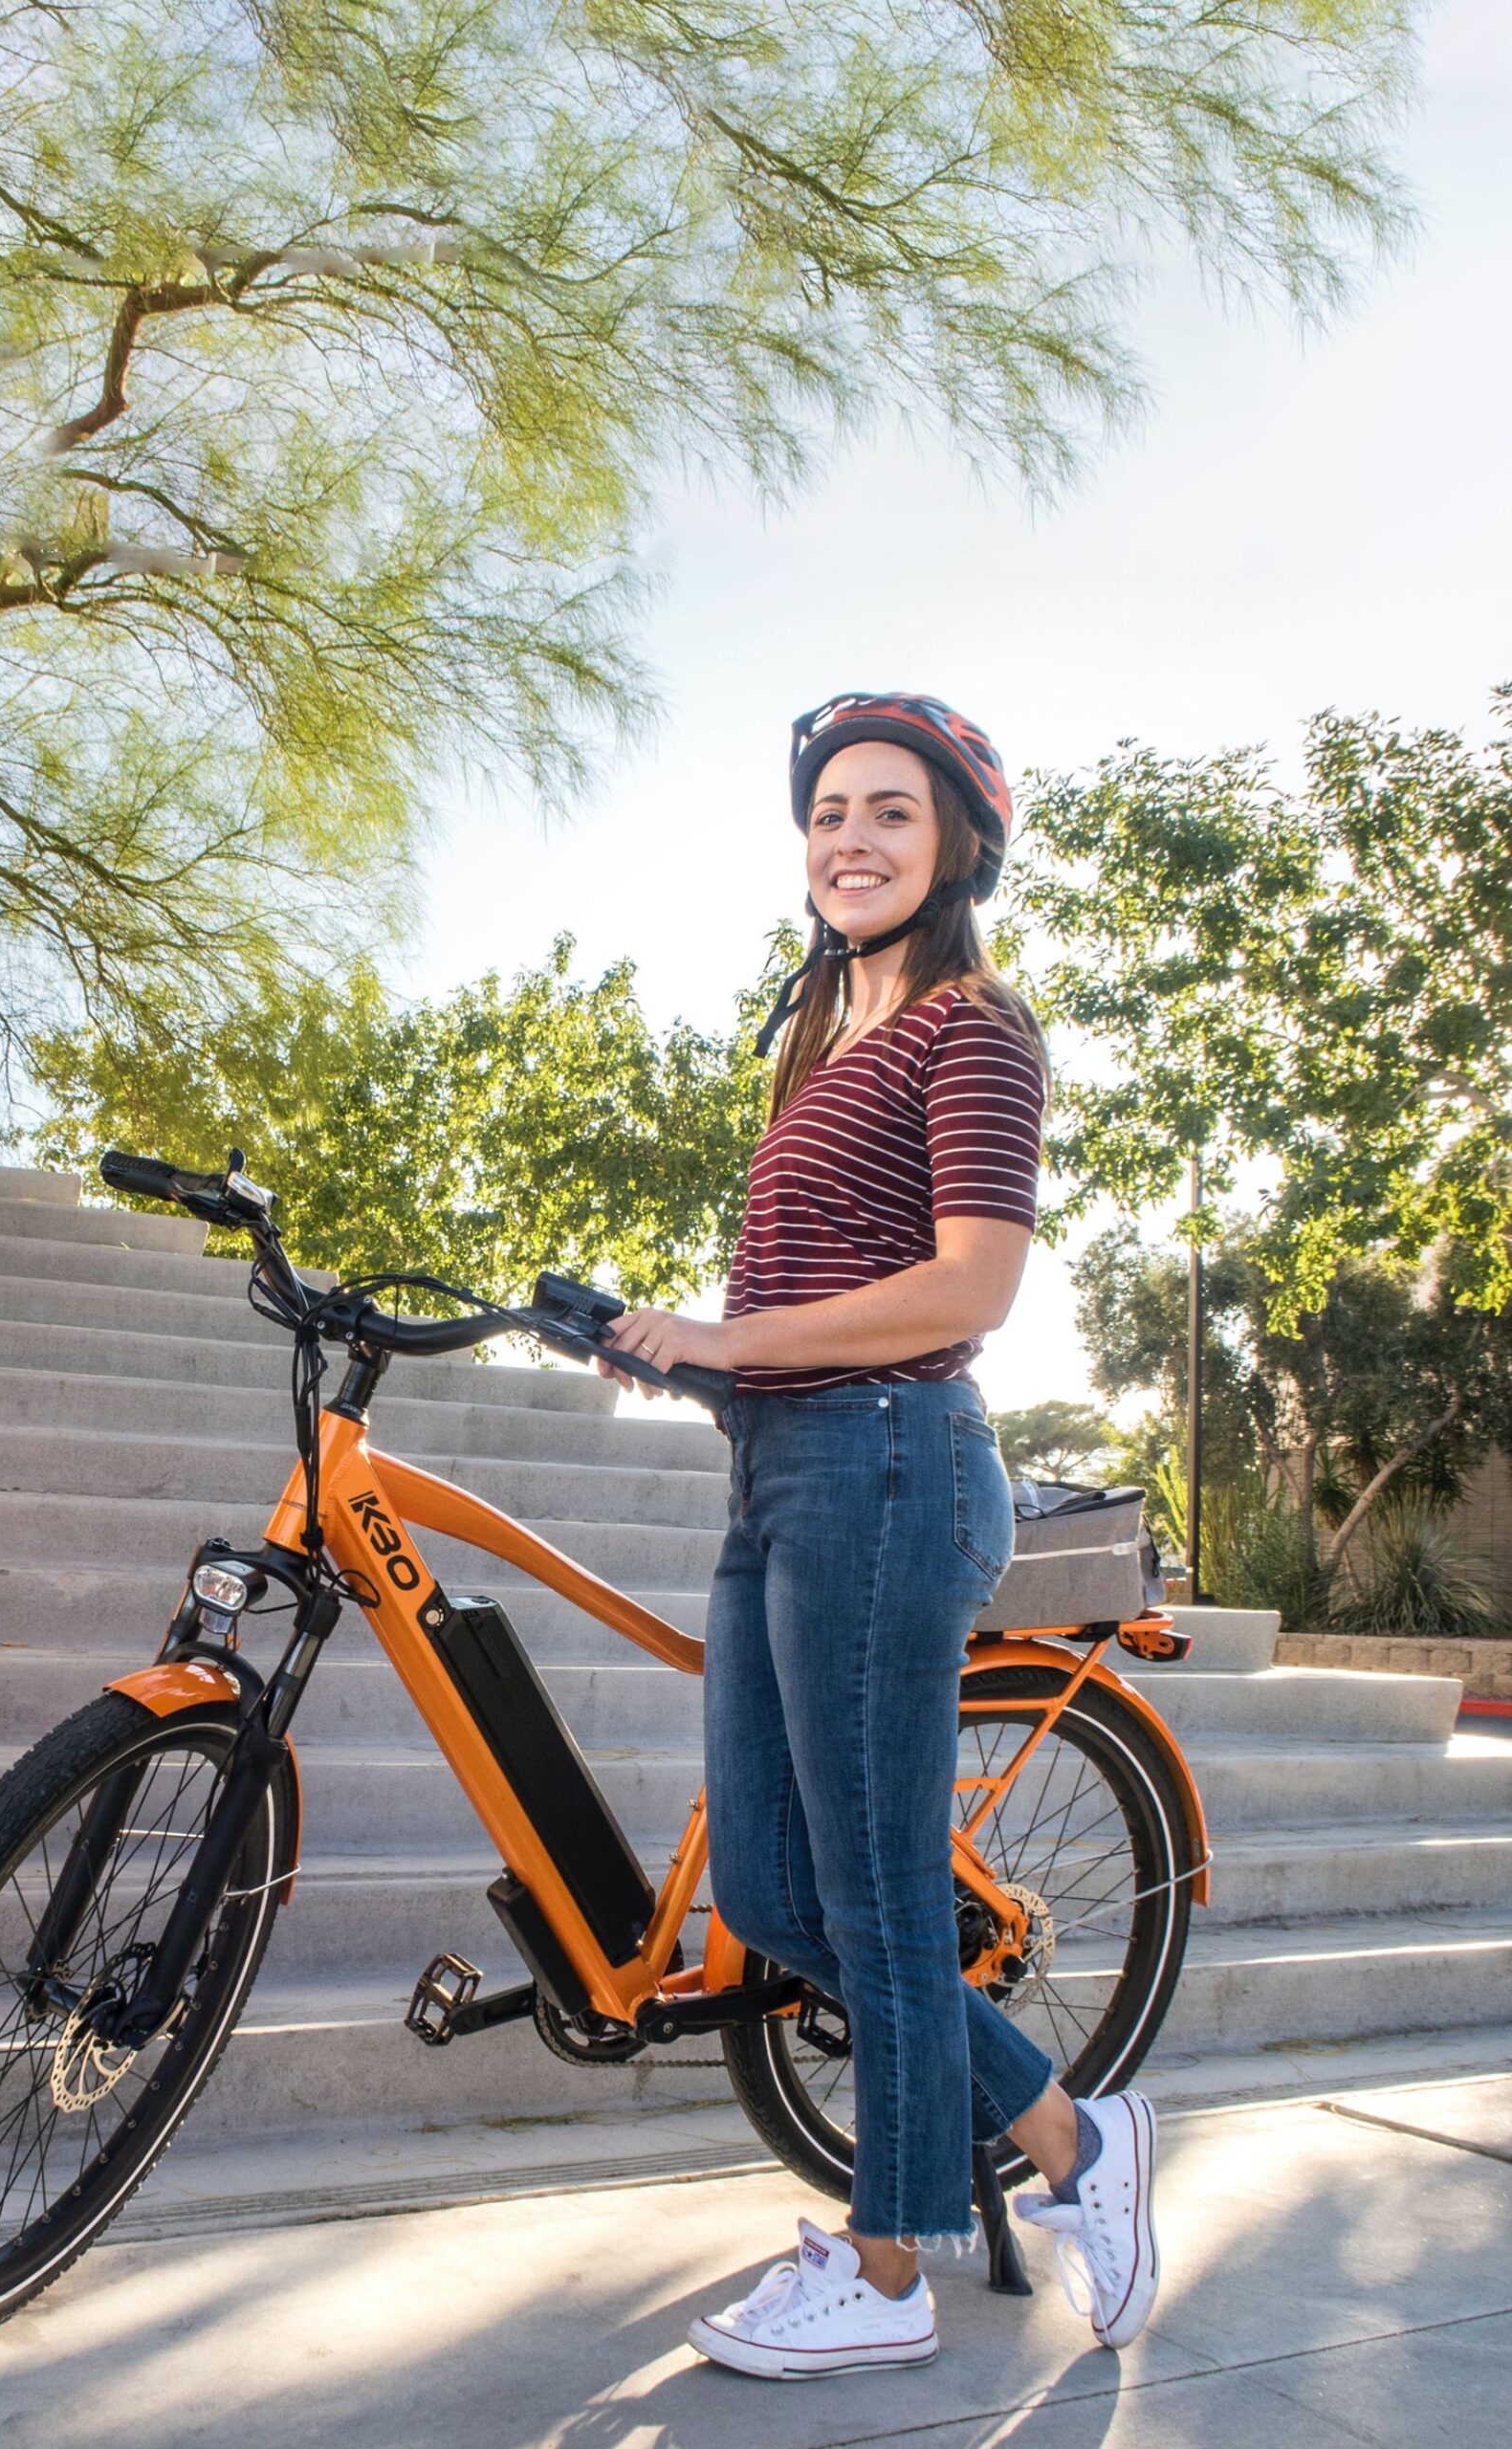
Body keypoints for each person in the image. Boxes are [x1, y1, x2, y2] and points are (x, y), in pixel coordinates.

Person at [601, 692, 1157, 2380]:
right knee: (773, 1890)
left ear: (958, 843)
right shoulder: (818, 1040)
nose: (851, 836)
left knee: (888, 1898)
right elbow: (814, 1287)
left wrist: (729, 1340)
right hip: (784, 1475)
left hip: (892, 1467)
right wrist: (682, 1352)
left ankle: (889, 2272)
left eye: (891, 812)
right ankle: (1075, 2142)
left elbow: (969, 1288)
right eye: (832, 809)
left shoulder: (975, 1027)